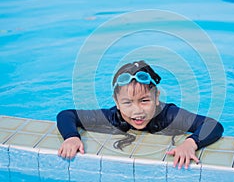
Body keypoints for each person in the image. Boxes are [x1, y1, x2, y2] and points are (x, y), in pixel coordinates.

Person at [57, 60, 224, 169]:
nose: (137, 111)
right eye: (127, 103)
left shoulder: (170, 115)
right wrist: (72, 137)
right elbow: (66, 115)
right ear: (116, 102)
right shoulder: (113, 116)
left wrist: (191, 143)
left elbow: (213, 125)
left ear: (157, 97)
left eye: (144, 101)